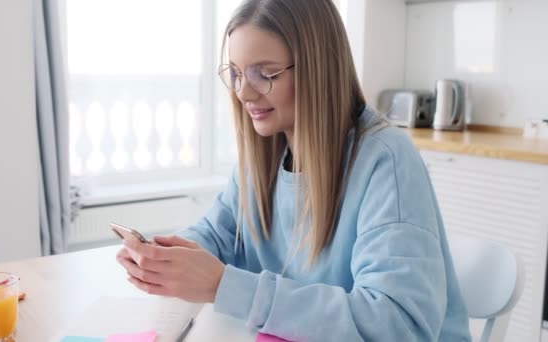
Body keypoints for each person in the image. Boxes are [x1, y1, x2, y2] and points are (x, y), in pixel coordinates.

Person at [116, 0, 471, 341]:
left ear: (319, 68)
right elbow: (218, 233)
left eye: (265, 74)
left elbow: (397, 326)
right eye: (236, 74)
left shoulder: (386, 160)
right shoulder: (265, 153)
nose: (243, 93)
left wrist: (225, 286)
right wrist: (167, 257)